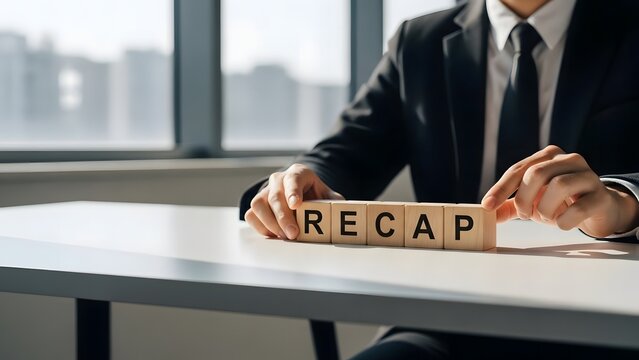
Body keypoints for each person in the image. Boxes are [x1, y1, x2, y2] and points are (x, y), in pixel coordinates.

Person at [240, 0, 639, 357]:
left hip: (607, 320)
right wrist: (290, 187)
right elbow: (341, 156)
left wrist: (625, 202)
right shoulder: (420, 43)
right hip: (443, 320)